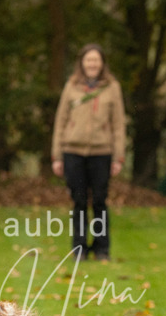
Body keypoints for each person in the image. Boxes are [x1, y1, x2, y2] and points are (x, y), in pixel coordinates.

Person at [51, 43, 126, 261]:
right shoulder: (71, 86)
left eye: (96, 60)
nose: (92, 64)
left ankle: (102, 249)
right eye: (88, 60)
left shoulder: (112, 87)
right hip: (72, 151)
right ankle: (79, 248)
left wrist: (118, 156)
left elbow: (119, 124)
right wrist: (57, 155)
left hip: (102, 152)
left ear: (102, 63)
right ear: (82, 63)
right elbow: (61, 121)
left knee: (100, 201)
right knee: (79, 201)